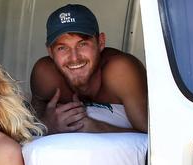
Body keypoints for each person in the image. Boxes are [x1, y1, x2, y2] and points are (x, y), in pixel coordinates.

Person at [30, 4, 148, 134]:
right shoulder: (45, 76)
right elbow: (31, 129)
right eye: (62, 48)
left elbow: (156, 140)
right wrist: (48, 125)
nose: (74, 58)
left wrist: (99, 128)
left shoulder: (121, 71)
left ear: (101, 42)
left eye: (82, 44)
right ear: (50, 52)